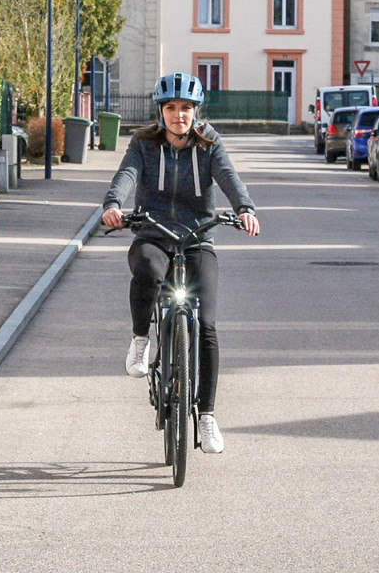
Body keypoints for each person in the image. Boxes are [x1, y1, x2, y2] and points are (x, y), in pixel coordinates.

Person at [101, 72, 260, 454]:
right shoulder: (143, 143)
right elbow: (127, 175)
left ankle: (206, 416)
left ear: (195, 111)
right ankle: (141, 340)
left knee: (206, 324)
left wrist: (245, 208)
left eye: (186, 108)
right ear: (161, 111)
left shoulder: (209, 144)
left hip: (197, 239)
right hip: (153, 233)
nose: (178, 115)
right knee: (149, 271)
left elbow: (228, 176)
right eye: (171, 108)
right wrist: (113, 205)